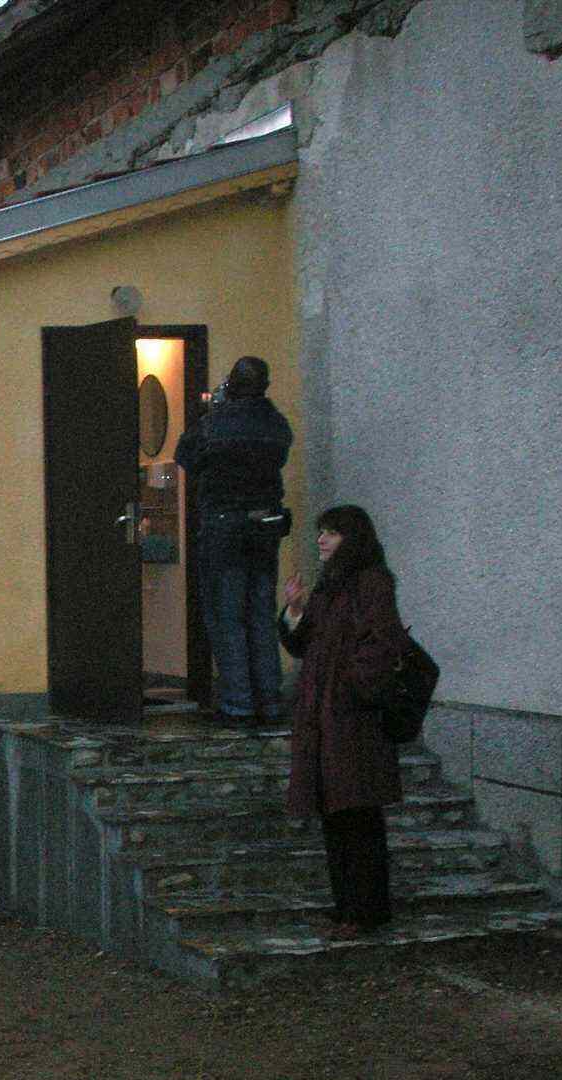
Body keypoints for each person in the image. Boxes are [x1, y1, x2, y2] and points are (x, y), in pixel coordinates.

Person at [279, 505, 408, 940]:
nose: (321, 540)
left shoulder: (372, 582)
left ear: (352, 539)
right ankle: (347, 908)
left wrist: (350, 687)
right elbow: (303, 644)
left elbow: (383, 642)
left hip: (353, 719)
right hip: (325, 717)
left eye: (331, 533)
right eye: (321, 532)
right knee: (336, 814)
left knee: (358, 815)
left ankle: (366, 910)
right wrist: (295, 609)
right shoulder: (331, 584)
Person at [175, 355, 295, 724]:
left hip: (225, 525)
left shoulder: (215, 424)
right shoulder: (276, 424)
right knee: (260, 613)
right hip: (265, 525)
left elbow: (186, 456)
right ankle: (269, 700)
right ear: (265, 385)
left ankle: (238, 703)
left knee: (227, 615)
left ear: (231, 384)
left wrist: (214, 409)